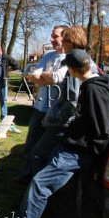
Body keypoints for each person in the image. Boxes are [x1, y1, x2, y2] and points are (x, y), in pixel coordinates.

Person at [0, 49, 109, 218]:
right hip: (69, 145)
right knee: (37, 174)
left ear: (73, 69)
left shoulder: (93, 89)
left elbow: (102, 128)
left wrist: (91, 153)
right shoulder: (91, 84)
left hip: (76, 151)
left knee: (39, 185)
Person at [28, 26, 101, 176]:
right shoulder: (74, 59)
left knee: (40, 153)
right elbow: (34, 76)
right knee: (43, 152)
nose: (54, 40)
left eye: (63, 39)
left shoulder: (77, 62)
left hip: (63, 121)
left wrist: (59, 117)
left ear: (70, 41)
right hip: (59, 116)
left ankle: (39, 187)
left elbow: (72, 96)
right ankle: (38, 184)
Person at [17, 26, 67, 183]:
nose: (51, 39)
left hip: (55, 111)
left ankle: (39, 181)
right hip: (39, 108)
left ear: (65, 38)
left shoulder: (70, 58)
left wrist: (43, 76)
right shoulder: (49, 55)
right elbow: (32, 76)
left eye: (55, 36)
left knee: (46, 149)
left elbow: (57, 78)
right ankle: (25, 177)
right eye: (52, 35)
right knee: (31, 144)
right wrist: (46, 77)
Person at [0, 44, 21, 121]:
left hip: (3, 82)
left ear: (0, 49)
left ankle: (4, 117)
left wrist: (8, 70)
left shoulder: (6, 57)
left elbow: (17, 66)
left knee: (3, 99)